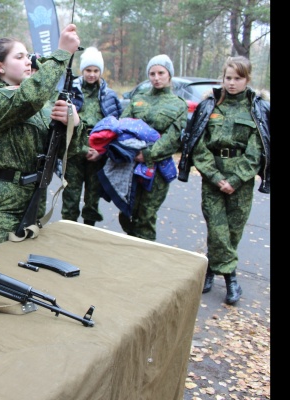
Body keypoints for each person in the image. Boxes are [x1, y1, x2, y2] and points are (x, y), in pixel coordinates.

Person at [0, 24, 82, 251]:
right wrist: (62, 53)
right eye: (19, 57)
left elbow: (71, 151)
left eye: (28, 56)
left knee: (23, 263)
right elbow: (29, 98)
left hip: (33, 199)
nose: (28, 61)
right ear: (0, 66)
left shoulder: (43, 106)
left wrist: (74, 124)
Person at [178, 56, 270, 305]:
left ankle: (210, 270)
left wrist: (236, 179)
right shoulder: (209, 105)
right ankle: (231, 279)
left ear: (247, 79)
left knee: (232, 232)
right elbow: (198, 145)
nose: (231, 83)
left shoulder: (256, 108)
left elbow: (258, 149)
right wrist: (217, 177)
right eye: (228, 78)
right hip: (212, 178)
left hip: (242, 181)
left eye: (238, 78)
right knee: (217, 227)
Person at [110, 54, 187, 241]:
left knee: (146, 216)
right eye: (152, 73)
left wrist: (147, 154)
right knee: (127, 213)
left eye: (161, 73)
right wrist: (131, 151)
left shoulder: (178, 105)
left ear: (169, 75)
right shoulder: (138, 99)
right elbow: (123, 125)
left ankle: (145, 252)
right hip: (131, 165)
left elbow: (172, 139)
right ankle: (132, 247)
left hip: (157, 168)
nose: (156, 78)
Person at [61, 47, 122, 226]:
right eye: (88, 70)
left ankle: (89, 230)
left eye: (96, 70)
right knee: (70, 197)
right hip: (74, 154)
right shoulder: (70, 91)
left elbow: (116, 127)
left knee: (93, 199)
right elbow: (62, 124)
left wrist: (102, 151)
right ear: (82, 70)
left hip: (97, 156)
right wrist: (80, 148)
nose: (92, 74)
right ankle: (68, 232)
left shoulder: (109, 96)